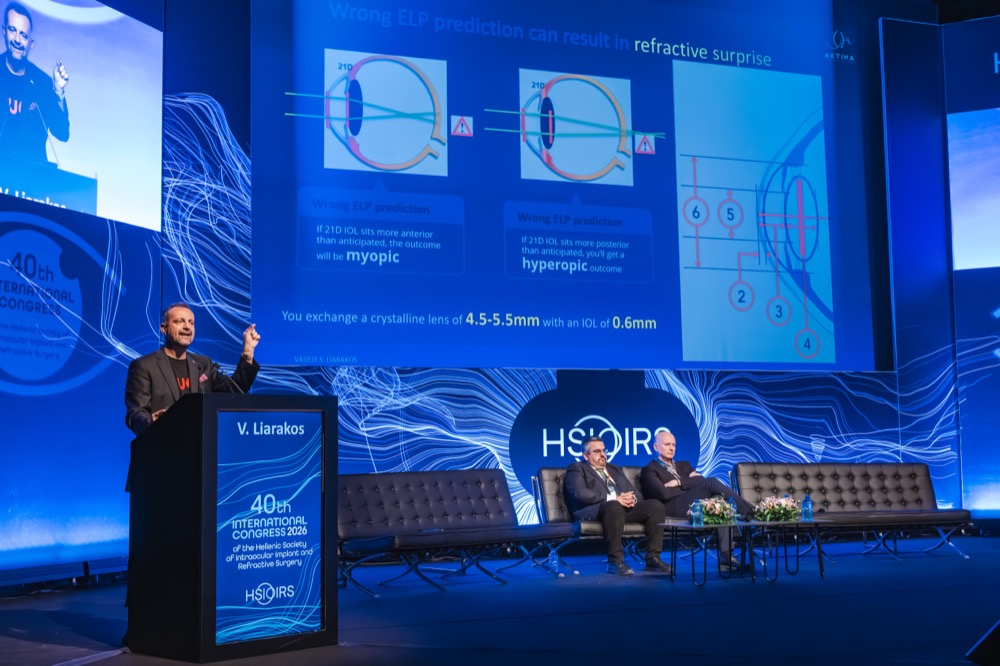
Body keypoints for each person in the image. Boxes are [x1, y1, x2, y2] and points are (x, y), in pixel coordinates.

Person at [124, 303, 261, 436]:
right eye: (179, 321)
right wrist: (150, 421)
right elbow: (135, 413)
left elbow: (235, 390)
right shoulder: (144, 366)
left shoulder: (203, 364)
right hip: (163, 445)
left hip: (200, 447)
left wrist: (248, 352)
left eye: (191, 323)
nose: (187, 327)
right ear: (164, 328)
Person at [640, 429, 755, 570]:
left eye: (674, 445)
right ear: (656, 447)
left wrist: (678, 482)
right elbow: (663, 493)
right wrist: (689, 484)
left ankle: (726, 556)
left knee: (719, 500)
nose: (671, 448)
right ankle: (750, 510)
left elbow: (701, 480)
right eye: (667, 444)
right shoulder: (650, 469)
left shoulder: (684, 465)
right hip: (672, 506)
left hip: (693, 503)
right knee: (712, 482)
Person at [564, 435, 671, 575]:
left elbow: (635, 492)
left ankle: (653, 558)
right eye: (597, 451)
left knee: (655, 506)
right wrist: (615, 498)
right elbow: (580, 493)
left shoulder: (613, 468)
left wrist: (631, 499)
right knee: (613, 505)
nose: (602, 454)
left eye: (604, 450)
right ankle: (615, 560)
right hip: (596, 510)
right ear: (586, 455)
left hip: (620, 510)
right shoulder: (577, 468)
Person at [0, 1, 69, 162]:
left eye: (23, 35)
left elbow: (62, 133)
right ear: (4, 31)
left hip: (32, 174)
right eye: (12, 30)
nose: (17, 40)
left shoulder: (42, 83)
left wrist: (58, 92)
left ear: (31, 44)